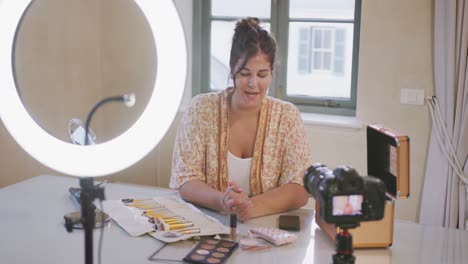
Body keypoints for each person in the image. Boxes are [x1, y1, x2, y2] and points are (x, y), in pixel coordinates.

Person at [170, 17, 311, 221]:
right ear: (232, 70)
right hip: (208, 228)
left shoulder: (287, 117)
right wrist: (222, 201)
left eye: (262, 75)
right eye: (245, 73)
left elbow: (299, 188)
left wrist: (250, 207)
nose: (253, 83)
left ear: (272, 73)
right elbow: (185, 179)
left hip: (267, 233)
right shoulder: (201, 110)